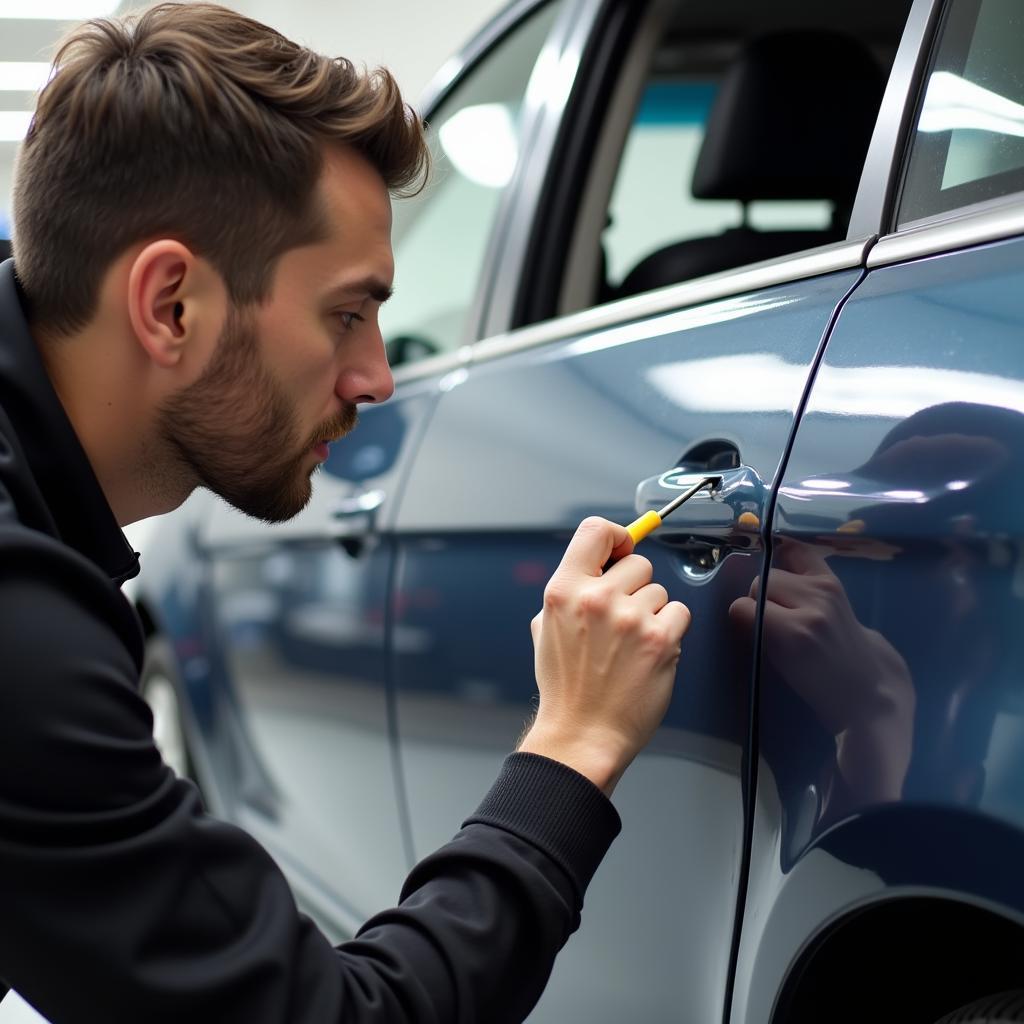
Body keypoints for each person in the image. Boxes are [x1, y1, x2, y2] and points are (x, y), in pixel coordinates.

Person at [0, 4, 691, 1022]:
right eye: (347, 314)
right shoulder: (19, 624)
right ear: (170, 306)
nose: (377, 379)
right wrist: (573, 746)